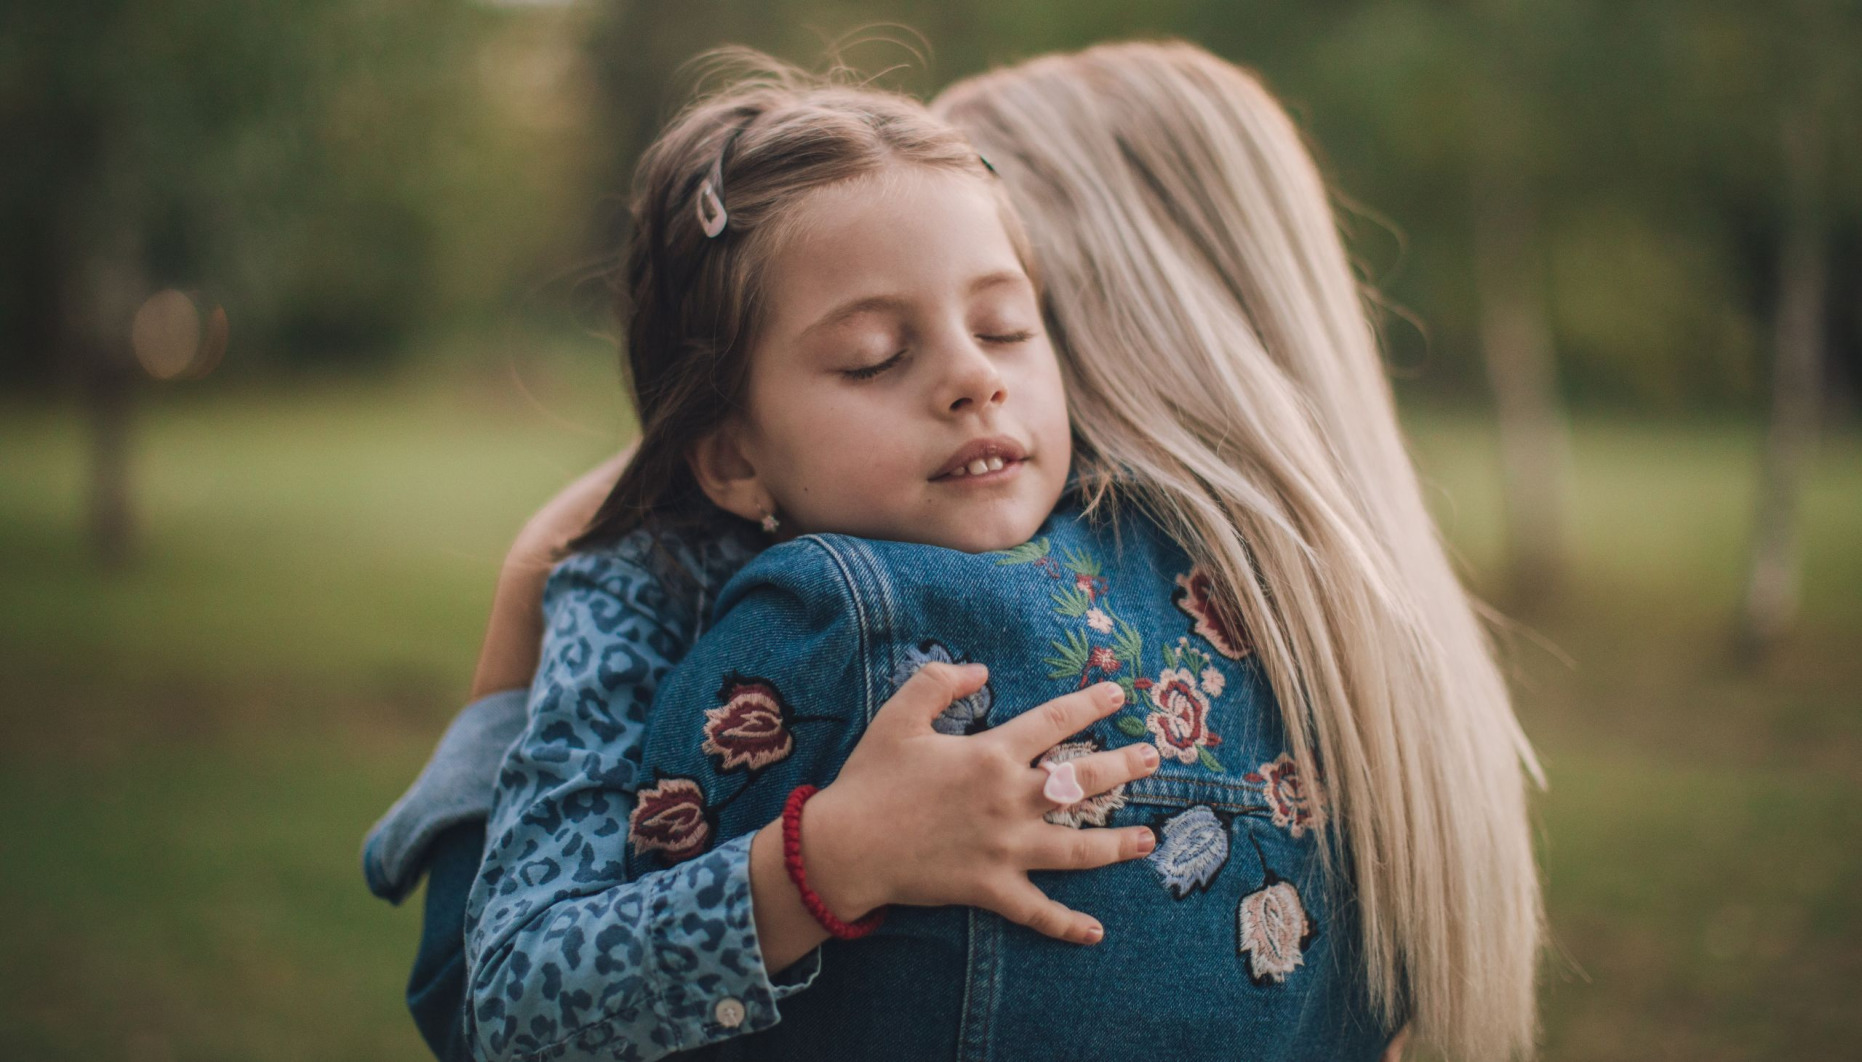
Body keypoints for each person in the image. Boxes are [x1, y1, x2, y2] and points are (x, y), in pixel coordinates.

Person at [371, 39, 1540, 1062]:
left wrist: (535, 590)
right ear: (728, 453)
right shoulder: (1356, 659)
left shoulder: (833, 613)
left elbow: (487, 1013)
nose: (973, 376)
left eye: (1005, 326)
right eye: (876, 352)